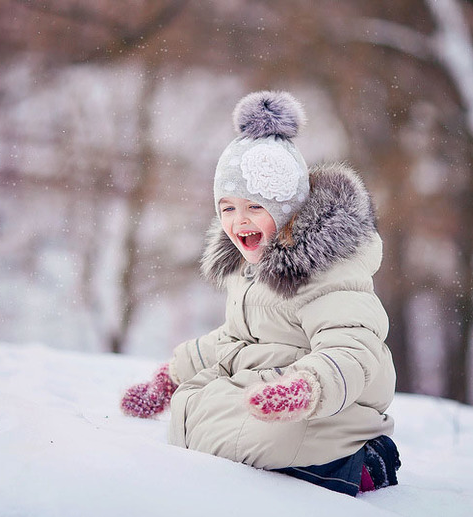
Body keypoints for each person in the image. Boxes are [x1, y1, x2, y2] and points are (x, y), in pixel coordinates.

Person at [120, 90, 400, 496]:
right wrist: (171, 378)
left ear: (287, 206)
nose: (238, 221)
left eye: (254, 206)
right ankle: (300, 455)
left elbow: (352, 346)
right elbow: (234, 339)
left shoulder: (328, 269)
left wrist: (306, 389)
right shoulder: (248, 268)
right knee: (193, 412)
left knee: (270, 436)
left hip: (333, 397)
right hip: (270, 382)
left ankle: (362, 463)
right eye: (227, 208)